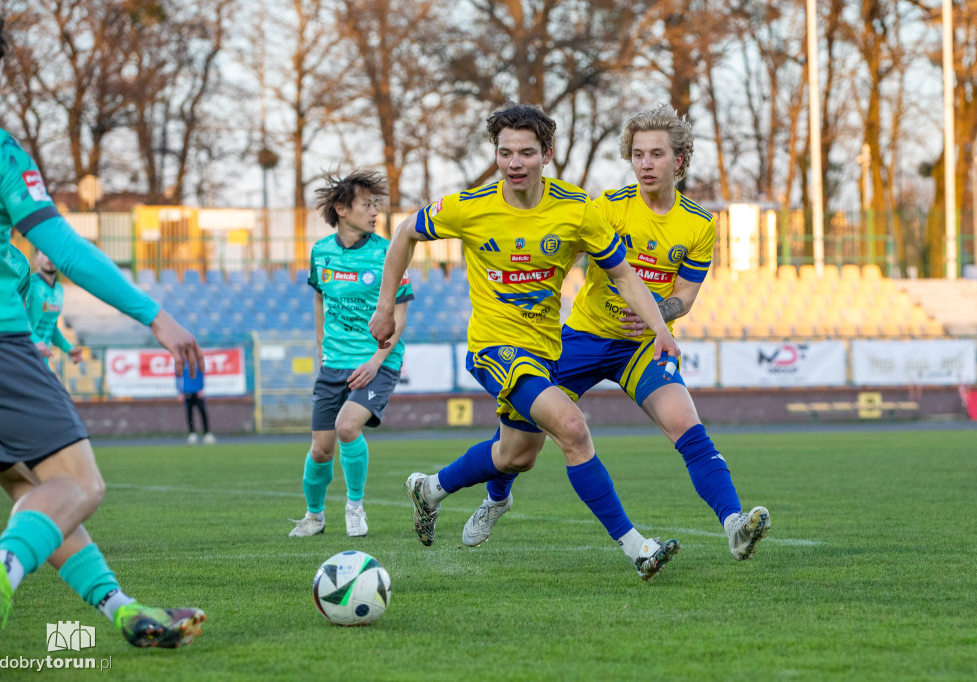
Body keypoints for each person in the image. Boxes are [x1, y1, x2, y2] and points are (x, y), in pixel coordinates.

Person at [0, 8, 204, 670]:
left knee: (30, 488)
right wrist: (155, 314)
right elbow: (60, 244)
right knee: (80, 485)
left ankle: (120, 609)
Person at [369, 103, 682, 581]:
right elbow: (404, 231)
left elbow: (622, 274)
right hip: (494, 349)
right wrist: (385, 304)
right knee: (572, 428)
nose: (514, 162)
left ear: (547, 155)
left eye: (526, 153)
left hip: (545, 351)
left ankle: (430, 489)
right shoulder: (469, 207)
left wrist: (660, 327)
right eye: (505, 152)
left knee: (516, 455)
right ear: (496, 155)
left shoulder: (578, 210)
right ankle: (636, 547)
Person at [463, 103, 771, 561]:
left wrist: (658, 315)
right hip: (583, 338)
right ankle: (495, 500)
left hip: (640, 347)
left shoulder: (701, 224)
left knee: (687, 426)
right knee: (522, 432)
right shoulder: (606, 207)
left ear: (679, 162)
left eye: (657, 154)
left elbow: (686, 295)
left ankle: (733, 524)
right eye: (638, 154)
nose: (645, 164)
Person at [289, 169, 413, 539]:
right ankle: (314, 516)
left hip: (379, 361)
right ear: (342, 209)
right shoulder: (321, 252)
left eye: (377, 205)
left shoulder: (388, 252)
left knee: (347, 428)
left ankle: (355, 508)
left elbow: (400, 315)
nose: (375, 212)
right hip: (334, 363)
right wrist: (320, 347)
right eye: (367, 205)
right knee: (321, 450)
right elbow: (318, 298)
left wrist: (376, 361)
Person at [26, 250, 83, 365]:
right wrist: (36, 341)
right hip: (25, 356)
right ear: (35, 259)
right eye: (45, 252)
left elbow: (51, 328)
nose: (50, 257)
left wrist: (69, 349)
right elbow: (19, 322)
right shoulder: (30, 286)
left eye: (52, 252)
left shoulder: (59, 290)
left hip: (42, 360)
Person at [177, 363, 214, 445]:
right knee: (189, 413)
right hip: (187, 391)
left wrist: (201, 388)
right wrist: (180, 392)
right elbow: (178, 377)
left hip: (197, 392)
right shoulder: (182, 362)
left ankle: (207, 433)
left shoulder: (198, 362)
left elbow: (202, 375)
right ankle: (192, 433)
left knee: (203, 412)